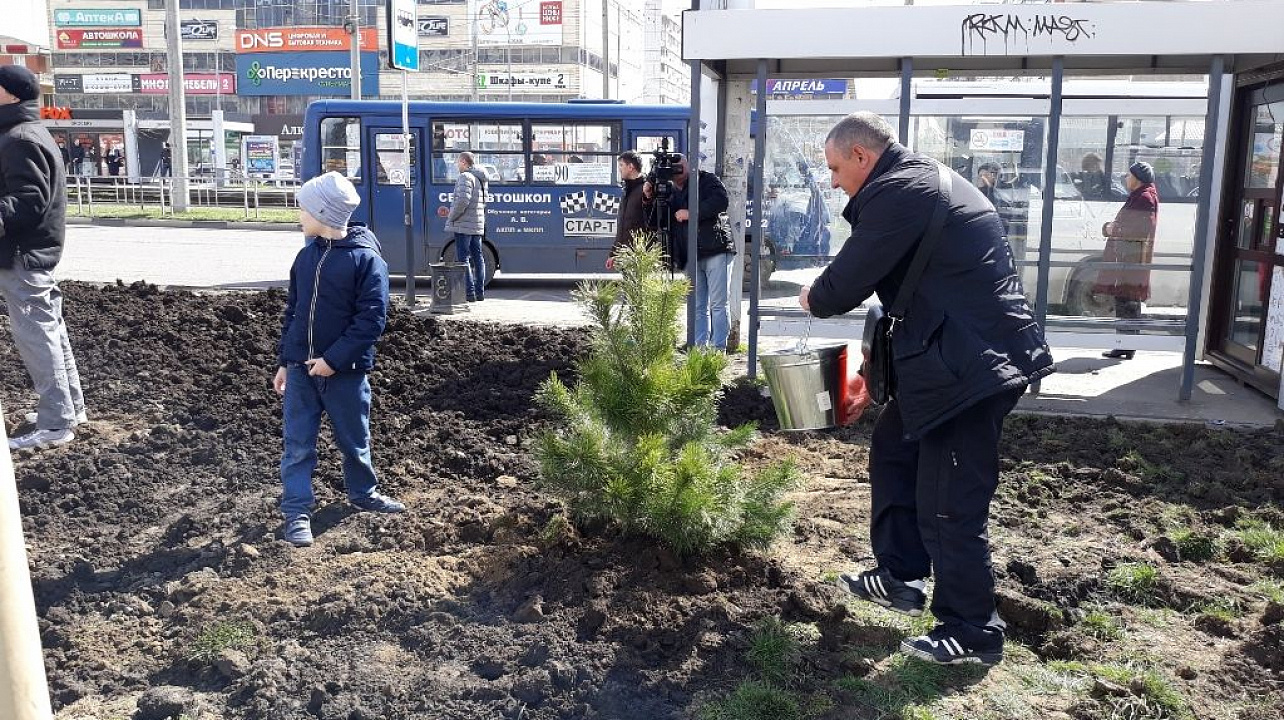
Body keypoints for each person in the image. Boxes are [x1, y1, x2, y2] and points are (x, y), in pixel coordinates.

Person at [799, 112, 1054, 666]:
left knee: (950, 502)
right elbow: (915, 290)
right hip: (951, 356)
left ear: (862, 156)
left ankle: (973, 628)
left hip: (972, 368)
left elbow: (841, 287)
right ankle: (900, 575)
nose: (834, 182)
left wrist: (811, 297)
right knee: (894, 451)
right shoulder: (912, 181)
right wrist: (874, 367)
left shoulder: (899, 192)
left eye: (836, 169)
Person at [274, 171, 404, 547]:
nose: (299, 214)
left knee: (354, 440)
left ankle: (363, 493)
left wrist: (333, 360)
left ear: (323, 213)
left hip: (345, 374)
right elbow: (294, 312)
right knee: (297, 446)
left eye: (304, 208)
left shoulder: (366, 261)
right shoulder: (305, 257)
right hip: (301, 371)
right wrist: (285, 360)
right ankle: (296, 512)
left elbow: (371, 321)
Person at [0, 65, 88, 450]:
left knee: (37, 336)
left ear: (10, 94)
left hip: (23, 254)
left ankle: (55, 425)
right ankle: (70, 411)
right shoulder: (25, 132)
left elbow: (28, 200)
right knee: (49, 330)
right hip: (30, 252)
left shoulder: (20, 138)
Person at [643, 154, 734, 350]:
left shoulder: (706, 180)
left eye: (681, 165)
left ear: (690, 165)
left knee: (718, 304)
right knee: (696, 305)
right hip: (690, 254)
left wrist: (692, 213)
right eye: (673, 167)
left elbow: (721, 201)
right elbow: (656, 221)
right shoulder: (669, 190)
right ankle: (698, 348)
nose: (678, 170)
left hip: (715, 249)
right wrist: (650, 197)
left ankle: (718, 350)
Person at [1095, 161, 1158, 360]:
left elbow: (1140, 229)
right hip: (1128, 258)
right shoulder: (1139, 196)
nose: (1126, 178)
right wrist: (1112, 228)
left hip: (1132, 261)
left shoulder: (1145, 198)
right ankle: (1124, 345)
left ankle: (1127, 346)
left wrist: (1114, 229)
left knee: (1128, 302)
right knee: (1124, 301)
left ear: (1137, 178)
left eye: (1129, 175)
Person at [438, 151, 487, 302]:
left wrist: (452, 216)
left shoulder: (465, 177)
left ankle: (470, 293)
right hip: (476, 224)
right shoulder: (479, 179)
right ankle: (479, 293)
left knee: (463, 258)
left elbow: (462, 201)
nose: (456, 165)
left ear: (464, 162)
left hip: (463, 225)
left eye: (458, 162)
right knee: (478, 257)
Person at [607, 150, 647, 270]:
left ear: (631, 167)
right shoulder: (627, 191)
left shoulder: (645, 190)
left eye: (621, 165)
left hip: (640, 256)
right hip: (626, 255)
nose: (619, 169)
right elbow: (623, 226)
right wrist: (613, 254)